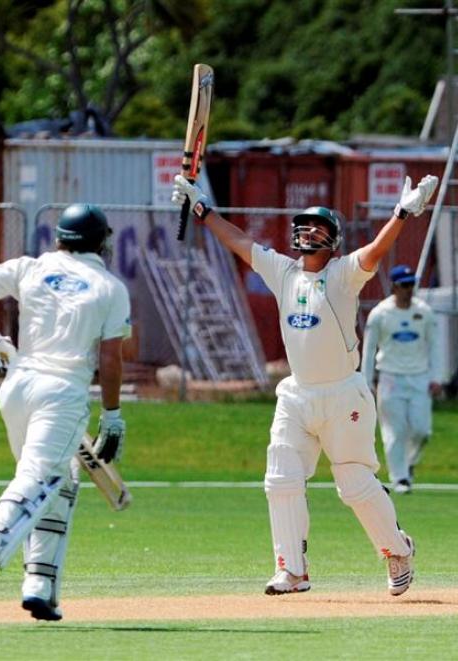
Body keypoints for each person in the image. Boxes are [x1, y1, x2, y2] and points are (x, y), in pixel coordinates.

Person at [171, 173, 438, 597]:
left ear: (333, 241)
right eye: (304, 225)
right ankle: (292, 570)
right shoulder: (283, 271)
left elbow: (376, 251)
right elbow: (240, 242)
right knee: (280, 477)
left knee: (354, 487)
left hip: (343, 395)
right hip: (297, 394)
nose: (308, 230)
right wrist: (203, 210)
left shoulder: (343, 273)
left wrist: (402, 213)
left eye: (319, 227)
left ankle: (397, 549)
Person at [0, 204, 131, 621]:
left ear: (58, 238)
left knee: (60, 481)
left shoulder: (31, 267)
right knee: (43, 477)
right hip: (62, 393)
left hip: (17, 388)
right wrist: (112, 415)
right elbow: (111, 360)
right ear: (102, 242)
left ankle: (40, 586)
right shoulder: (109, 287)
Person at [361, 264, 441, 495]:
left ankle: (408, 463)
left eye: (411, 284)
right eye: (404, 285)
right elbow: (369, 349)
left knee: (421, 430)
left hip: (419, 377)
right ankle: (401, 478)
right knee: (394, 431)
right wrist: (366, 382)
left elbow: (434, 345)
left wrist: (436, 377)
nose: (409, 289)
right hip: (389, 377)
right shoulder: (380, 313)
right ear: (395, 287)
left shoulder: (424, 312)